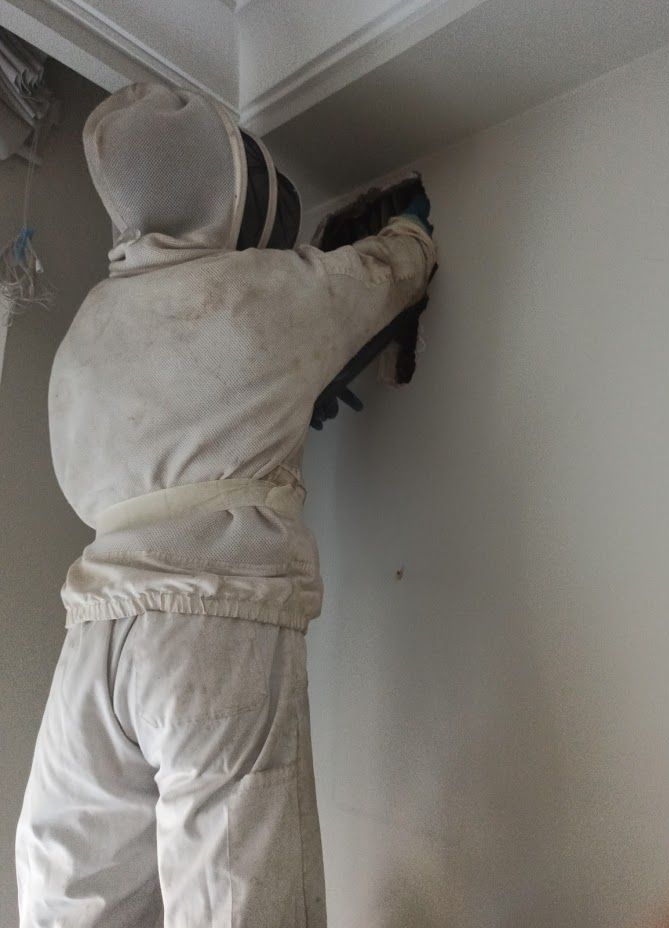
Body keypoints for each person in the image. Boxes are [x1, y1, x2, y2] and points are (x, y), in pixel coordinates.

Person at [15, 82, 436, 927]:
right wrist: (414, 234)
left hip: (94, 635)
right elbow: (379, 279)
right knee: (235, 896)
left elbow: (170, 437)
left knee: (69, 888)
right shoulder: (259, 292)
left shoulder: (91, 328)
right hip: (213, 622)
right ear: (231, 198)